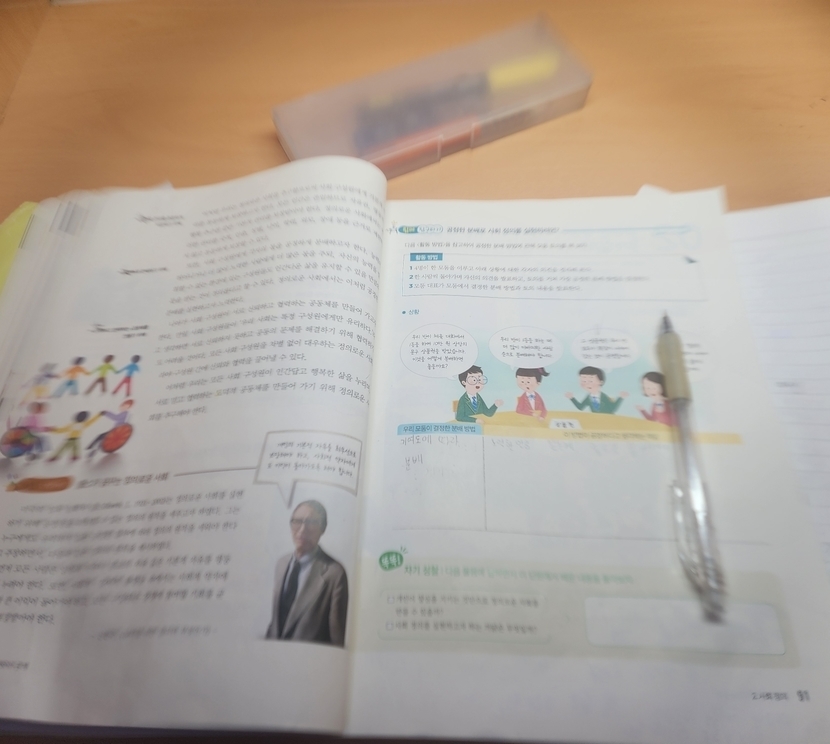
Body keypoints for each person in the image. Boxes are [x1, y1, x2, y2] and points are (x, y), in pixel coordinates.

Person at [265, 500, 348, 647]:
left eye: (311, 523)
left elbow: (337, 638)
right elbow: (276, 622)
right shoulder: (281, 564)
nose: (302, 529)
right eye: (297, 521)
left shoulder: (335, 573)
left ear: (323, 529)